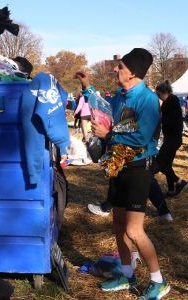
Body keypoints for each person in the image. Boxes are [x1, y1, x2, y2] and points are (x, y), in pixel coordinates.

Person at [78, 48, 170, 299]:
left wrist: (108, 136)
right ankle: (126, 273)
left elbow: (141, 136)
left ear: (133, 72)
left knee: (134, 231)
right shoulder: (121, 95)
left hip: (139, 169)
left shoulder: (147, 99)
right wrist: (87, 89)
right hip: (117, 167)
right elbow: (104, 109)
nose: (115, 70)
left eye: (120, 67)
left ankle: (158, 281)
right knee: (118, 225)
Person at [155, 81, 187, 196]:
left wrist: (160, 120)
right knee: (167, 165)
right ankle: (171, 189)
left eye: (158, 95)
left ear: (165, 92)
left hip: (173, 139)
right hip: (171, 138)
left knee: (159, 164)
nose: (158, 97)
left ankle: (179, 181)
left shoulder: (171, 101)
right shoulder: (169, 101)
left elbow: (172, 120)